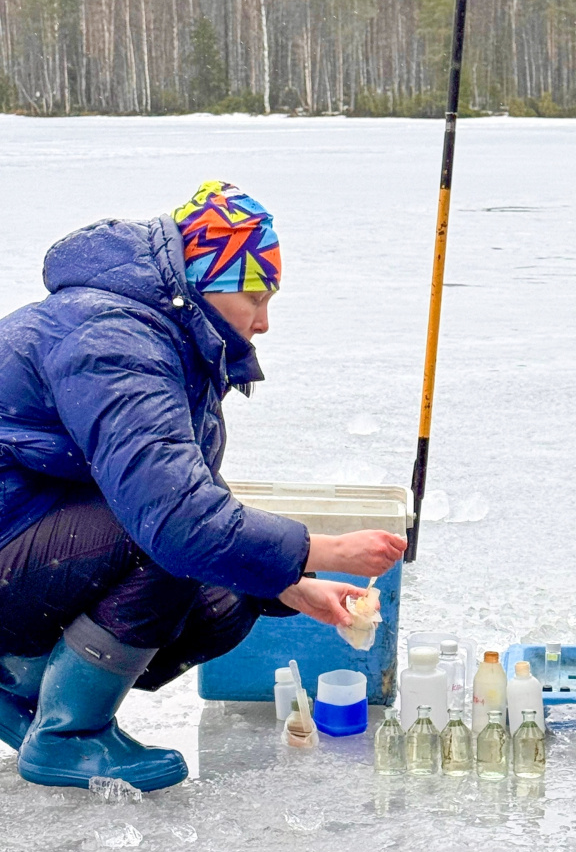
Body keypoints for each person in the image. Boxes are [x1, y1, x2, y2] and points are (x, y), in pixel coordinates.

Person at [0, 180, 406, 791]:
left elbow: (191, 493)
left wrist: (294, 585)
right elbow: (178, 519)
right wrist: (327, 551)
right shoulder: (111, 338)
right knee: (167, 539)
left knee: (229, 600)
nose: (264, 322)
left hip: (27, 535)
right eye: (255, 296)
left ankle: (25, 693)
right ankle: (66, 734)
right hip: (16, 533)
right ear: (206, 279)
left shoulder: (170, 335)